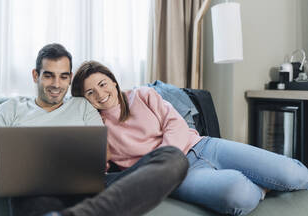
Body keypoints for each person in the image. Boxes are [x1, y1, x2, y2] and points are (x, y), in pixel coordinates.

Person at [71, 60, 308, 216]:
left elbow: (175, 124)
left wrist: (166, 158)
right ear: (85, 99)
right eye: (91, 92)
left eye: (103, 84)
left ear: (113, 80)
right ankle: (263, 186)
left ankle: (268, 178)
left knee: (295, 174)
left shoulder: (143, 95)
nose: (101, 94)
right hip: (180, 177)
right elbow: (98, 172)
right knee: (239, 196)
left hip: (204, 146)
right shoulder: (96, 127)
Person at [0, 43, 189, 216]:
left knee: (173, 157)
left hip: (90, 184)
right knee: (27, 194)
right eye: (49, 75)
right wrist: (37, 173)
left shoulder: (83, 106)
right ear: (35, 75)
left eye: (63, 76)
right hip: (35, 187)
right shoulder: (10, 109)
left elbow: (102, 153)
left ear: (69, 78)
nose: (56, 84)